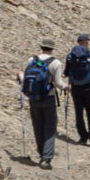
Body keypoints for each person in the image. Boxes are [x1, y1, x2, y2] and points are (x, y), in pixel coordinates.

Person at [20, 41, 60, 169]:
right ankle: (46, 158)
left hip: (33, 98)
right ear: (52, 49)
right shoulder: (56, 63)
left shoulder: (32, 59)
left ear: (41, 47)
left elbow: (25, 78)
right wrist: (66, 86)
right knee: (50, 128)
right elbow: (58, 83)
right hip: (48, 98)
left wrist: (19, 76)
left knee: (37, 125)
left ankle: (41, 152)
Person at [64, 34, 90, 145]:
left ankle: (83, 136)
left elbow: (65, 72)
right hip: (88, 86)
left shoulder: (70, 56)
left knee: (78, 112)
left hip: (76, 87)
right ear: (85, 42)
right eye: (87, 41)